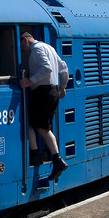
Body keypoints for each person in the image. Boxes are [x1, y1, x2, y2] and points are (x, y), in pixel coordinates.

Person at [19, 32, 69, 181]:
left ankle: (36, 156)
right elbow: (64, 68)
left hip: (42, 92)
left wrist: (30, 81)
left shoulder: (37, 49)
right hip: (53, 92)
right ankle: (57, 159)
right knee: (44, 128)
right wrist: (62, 87)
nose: (22, 49)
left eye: (21, 45)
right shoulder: (50, 48)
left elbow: (46, 68)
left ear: (25, 40)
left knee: (29, 124)